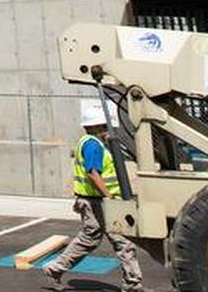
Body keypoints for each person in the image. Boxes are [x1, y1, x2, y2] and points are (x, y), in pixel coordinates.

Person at [43, 101, 144, 292]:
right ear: (96, 126)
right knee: (121, 240)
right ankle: (132, 285)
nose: (109, 130)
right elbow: (92, 173)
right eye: (106, 127)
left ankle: (55, 269)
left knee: (93, 238)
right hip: (100, 201)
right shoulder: (94, 145)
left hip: (94, 200)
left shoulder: (88, 142)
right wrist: (109, 196)